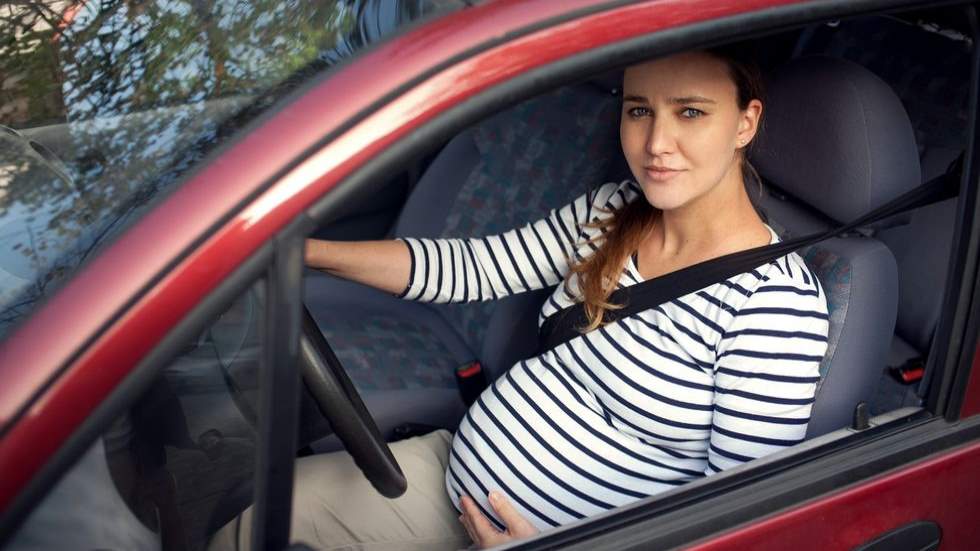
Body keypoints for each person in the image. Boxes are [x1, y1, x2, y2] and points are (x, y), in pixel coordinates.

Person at [210, 48, 829, 551]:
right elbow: (469, 268)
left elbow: (740, 524)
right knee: (254, 523)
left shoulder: (774, 305)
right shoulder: (612, 211)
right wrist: (306, 252)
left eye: (690, 113)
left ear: (745, 122)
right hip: (451, 478)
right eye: (640, 110)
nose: (656, 142)